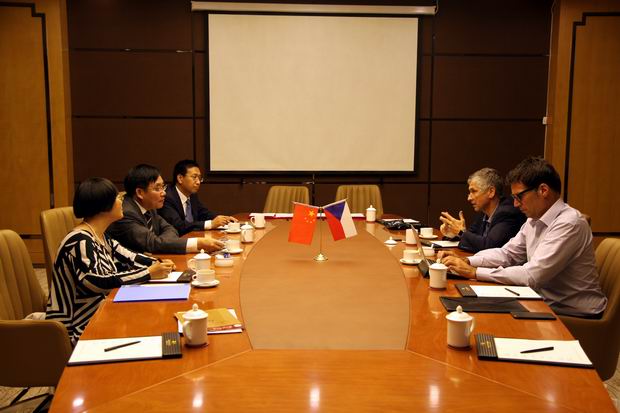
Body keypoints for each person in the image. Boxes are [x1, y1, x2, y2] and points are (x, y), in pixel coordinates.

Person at [439, 157, 607, 317]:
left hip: (572, 312)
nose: (515, 204)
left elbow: (532, 276)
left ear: (543, 190)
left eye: (519, 197)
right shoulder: (534, 220)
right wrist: (468, 261)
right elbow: (507, 254)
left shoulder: (569, 223)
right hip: (544, 301)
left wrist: (475, 272)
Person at [46, 178, 175, 344]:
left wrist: (158, 263)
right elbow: (99, 282)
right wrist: (148, 273)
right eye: (117, 198)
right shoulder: (79, 241)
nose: (122, 201)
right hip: (79, 328)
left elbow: (130, 257)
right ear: (103, 205)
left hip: (103, 315)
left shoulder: (100, 236)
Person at [107, 164, 225, 254]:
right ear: (140, 193)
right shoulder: (126, 213)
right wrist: (198, 243)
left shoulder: (149, 207)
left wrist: (162, 243)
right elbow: (152, 244)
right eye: (157, 188)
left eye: (163, 187)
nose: (164, 193)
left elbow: (170, 228)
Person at [439, 168, 525, 252]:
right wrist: (452, 233)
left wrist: (461, 232)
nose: (469, 198)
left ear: (491, 192)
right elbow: (472, 240)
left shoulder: (507, 213)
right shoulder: (483, 213)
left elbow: (490, 246)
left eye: (474, 191)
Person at [159, 159, 237, 236]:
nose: (198, 182)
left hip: (193, 237)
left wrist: (223, 219)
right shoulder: (166, 197)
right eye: (194, 177)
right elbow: (179, 225)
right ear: (180, 178)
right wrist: (211, 224)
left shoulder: (192, 194)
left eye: (199, 178)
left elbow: (203, 213)